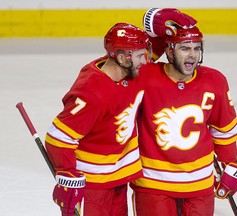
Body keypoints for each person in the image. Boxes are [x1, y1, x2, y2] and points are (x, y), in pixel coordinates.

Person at [44, 9, 197, 216]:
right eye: (140, 55)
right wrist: (67, 175)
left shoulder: (130, 70)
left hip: (117, 178)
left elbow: (158, 45)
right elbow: (59, 138)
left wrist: (164, 21)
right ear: (123, 58)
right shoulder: (93, 93)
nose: (146, 61)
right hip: (93, 184)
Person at [130, 11, 237, 216]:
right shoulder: (146, 77)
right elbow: (118, 66)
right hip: (152, 184)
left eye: (196, 48)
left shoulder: (214, 80)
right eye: (185, 48)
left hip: (199, 185)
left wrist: (230, 163)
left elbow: (224, 129)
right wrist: (153, 30)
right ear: (169, 51)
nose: (192, 55)